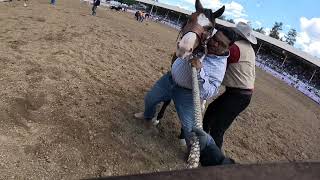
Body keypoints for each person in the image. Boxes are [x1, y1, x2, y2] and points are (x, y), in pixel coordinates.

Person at [134, 27, 236, 149]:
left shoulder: (219, 67)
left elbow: (210, 92)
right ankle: (148, 116)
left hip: (187, 93)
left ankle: (192, 151)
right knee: (150, 99)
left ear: (227, 48)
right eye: (215, 38)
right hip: (169, 79)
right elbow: (197, 27)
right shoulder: (203, 40)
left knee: (190, 128)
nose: (214, 43)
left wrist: (200, 71)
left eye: (221, 44)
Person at [203, 22, 257, 149]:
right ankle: (203, 142)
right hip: (241, 94)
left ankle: (213, 158)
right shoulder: (249, 49)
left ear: (237, 34)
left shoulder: (235, 47)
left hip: (237, 94)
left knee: (218, 128)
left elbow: (216, 56)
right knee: (212, 113)